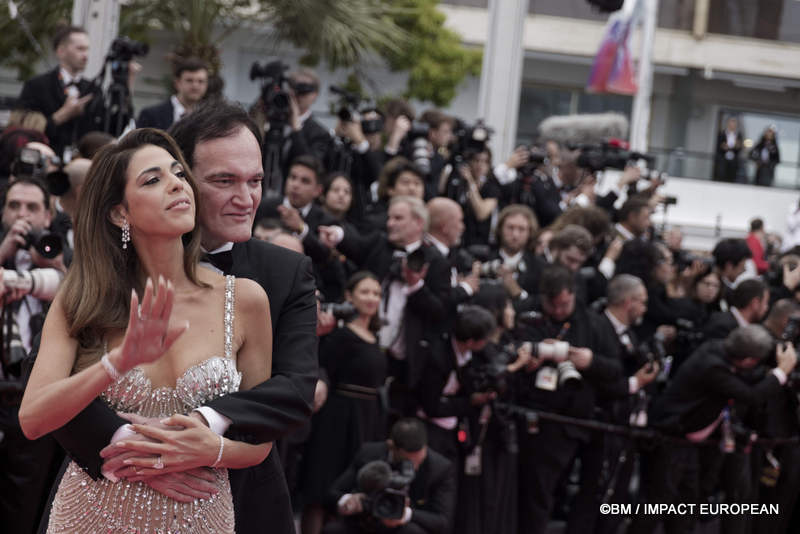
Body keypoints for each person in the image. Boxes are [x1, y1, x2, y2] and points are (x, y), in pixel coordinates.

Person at [37, 102, 318, 534]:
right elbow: (43, 389)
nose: (246, 198)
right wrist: (127, 445)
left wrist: (203, 433)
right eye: (224, 181)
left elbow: (294, 389)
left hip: (233, 497)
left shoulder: (280, 275)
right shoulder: (98, 276)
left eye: (256, 181)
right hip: (103, 491)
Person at [0, 177, 67, 533]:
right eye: (14, 206)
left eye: (31, 207)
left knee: (25, 510)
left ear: (48, 214)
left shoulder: (70, 258)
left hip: (35, 403)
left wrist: (54, 267)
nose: (22, 215)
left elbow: (86, 308)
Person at [301, 272, 386, 534]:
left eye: (376, 293)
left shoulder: (376, 337)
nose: (371, 298)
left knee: (354, 488)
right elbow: (322, 370)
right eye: (365, 292)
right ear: (349, 296)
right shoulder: (339, 336)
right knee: (323, 485)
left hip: (368, 418)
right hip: (337, 418)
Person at [324, 418, 456, 534]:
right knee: (333, 530)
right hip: (367, 521)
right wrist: (350, 501)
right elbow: (333, 493)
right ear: (391, 446)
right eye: (407, 462)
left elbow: (442, 521)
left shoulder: (439, 468)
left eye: (418, 461)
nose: (413, 467)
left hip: (405, 527)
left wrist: (405, 514)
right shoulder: (369, 453)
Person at [16, 26, 105, 159]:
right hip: (44, 160)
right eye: (80, 49)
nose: (86, 55)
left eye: (87, 49)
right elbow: (23, 130)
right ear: (61, 51)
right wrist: (62, 115)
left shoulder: (94, 89)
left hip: (82, 165)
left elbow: (104, 130)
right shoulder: (36, 86)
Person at [137, 57, 209, 130]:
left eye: (201, 81)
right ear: (177, 83)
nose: (195, 86)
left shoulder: (208, 118)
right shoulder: (150, 115)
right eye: (189, 80)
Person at [714, 116, 743, 183]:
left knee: (731, 177)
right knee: (721, 175)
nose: (733, 125)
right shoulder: (722, 133)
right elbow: (718, 145)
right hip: (723, 159)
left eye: (734, 123)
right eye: (731, 122)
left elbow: (740, 148)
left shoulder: (739, 135)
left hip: (733, 161)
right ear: (728, 123)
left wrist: (737, 146)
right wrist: (723, 146)